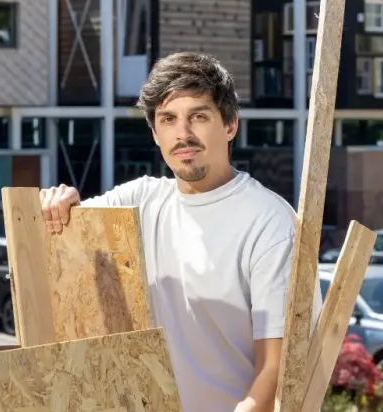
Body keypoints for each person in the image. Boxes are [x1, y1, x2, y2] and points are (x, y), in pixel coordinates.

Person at [39, 51, 323, 412]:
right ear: (155, 133)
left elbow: (279, 367)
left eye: (199, 117)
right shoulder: (138, 201)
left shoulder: (270, 224)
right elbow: (59, 232)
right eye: (168, 119)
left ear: (230, 124)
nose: (183, 134)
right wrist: (58, 203)